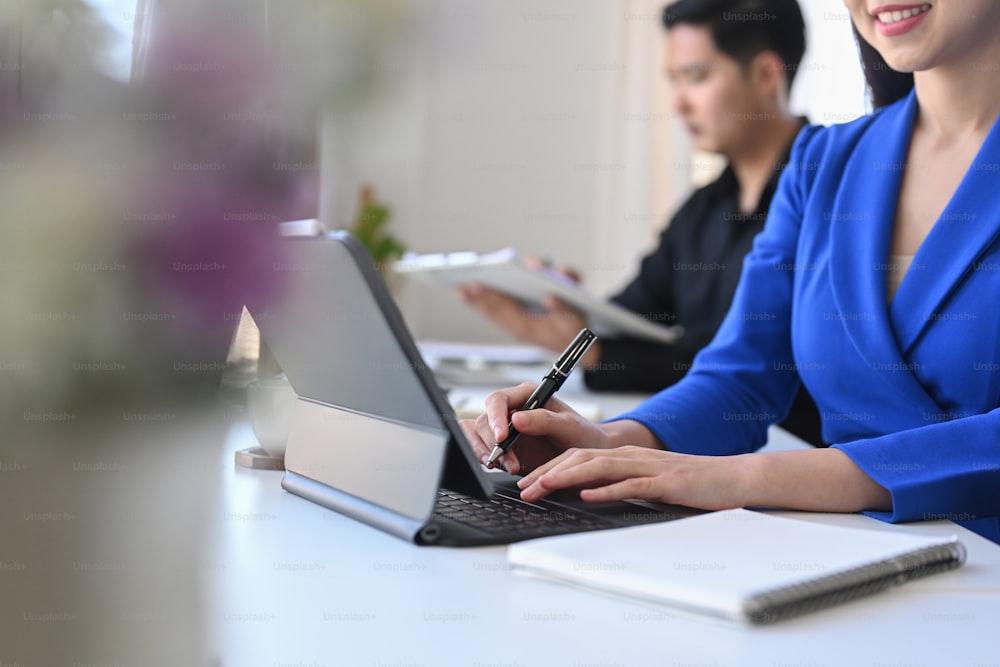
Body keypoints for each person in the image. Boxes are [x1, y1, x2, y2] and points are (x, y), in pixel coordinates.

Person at [463, 0, 1000, 544]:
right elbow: (740, 377)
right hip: (856, 554)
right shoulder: (822, 165)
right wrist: (611, 443)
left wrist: (750, 478)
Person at [459, 0, 824, 446]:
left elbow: (753, 360)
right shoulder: (703, 207)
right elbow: (636, 314)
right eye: (673, 81)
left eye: (697, 77)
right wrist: (559, 305)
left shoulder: (830, 193)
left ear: (767, 75)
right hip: (695, 438)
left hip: (790, 452)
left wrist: (597, 352)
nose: (678, 103)